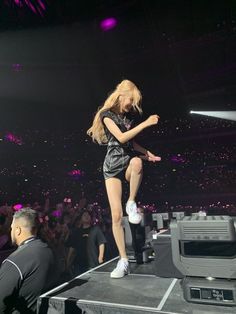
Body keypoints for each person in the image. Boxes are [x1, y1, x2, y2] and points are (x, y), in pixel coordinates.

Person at [87, 79, 161, 278]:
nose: (131, 105)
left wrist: (148, 153)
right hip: (112, 166)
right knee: (116, 216)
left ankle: (131, 202)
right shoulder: (106, 115)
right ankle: (123, 261)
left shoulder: (126, 117)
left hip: (127, 161)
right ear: (122, 95)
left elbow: (131, 142)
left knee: (137, 163)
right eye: (131, 100)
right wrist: (146, 123)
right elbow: (121, 138)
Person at [0, 208, 54, 313]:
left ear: (18, 230)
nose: (10, 232)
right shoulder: (48, 250)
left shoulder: (15, 261)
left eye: (12, 228)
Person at [65, 210, 106, 276]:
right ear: (81, 219)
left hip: (92, 263)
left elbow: (101, 243)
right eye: (84, 215)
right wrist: (68, 260)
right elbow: (72, 247)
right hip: (79, 264)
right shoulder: (77, 232)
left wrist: (100, 257)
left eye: (88, 215)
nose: (87, 216)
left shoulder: (95, 229)